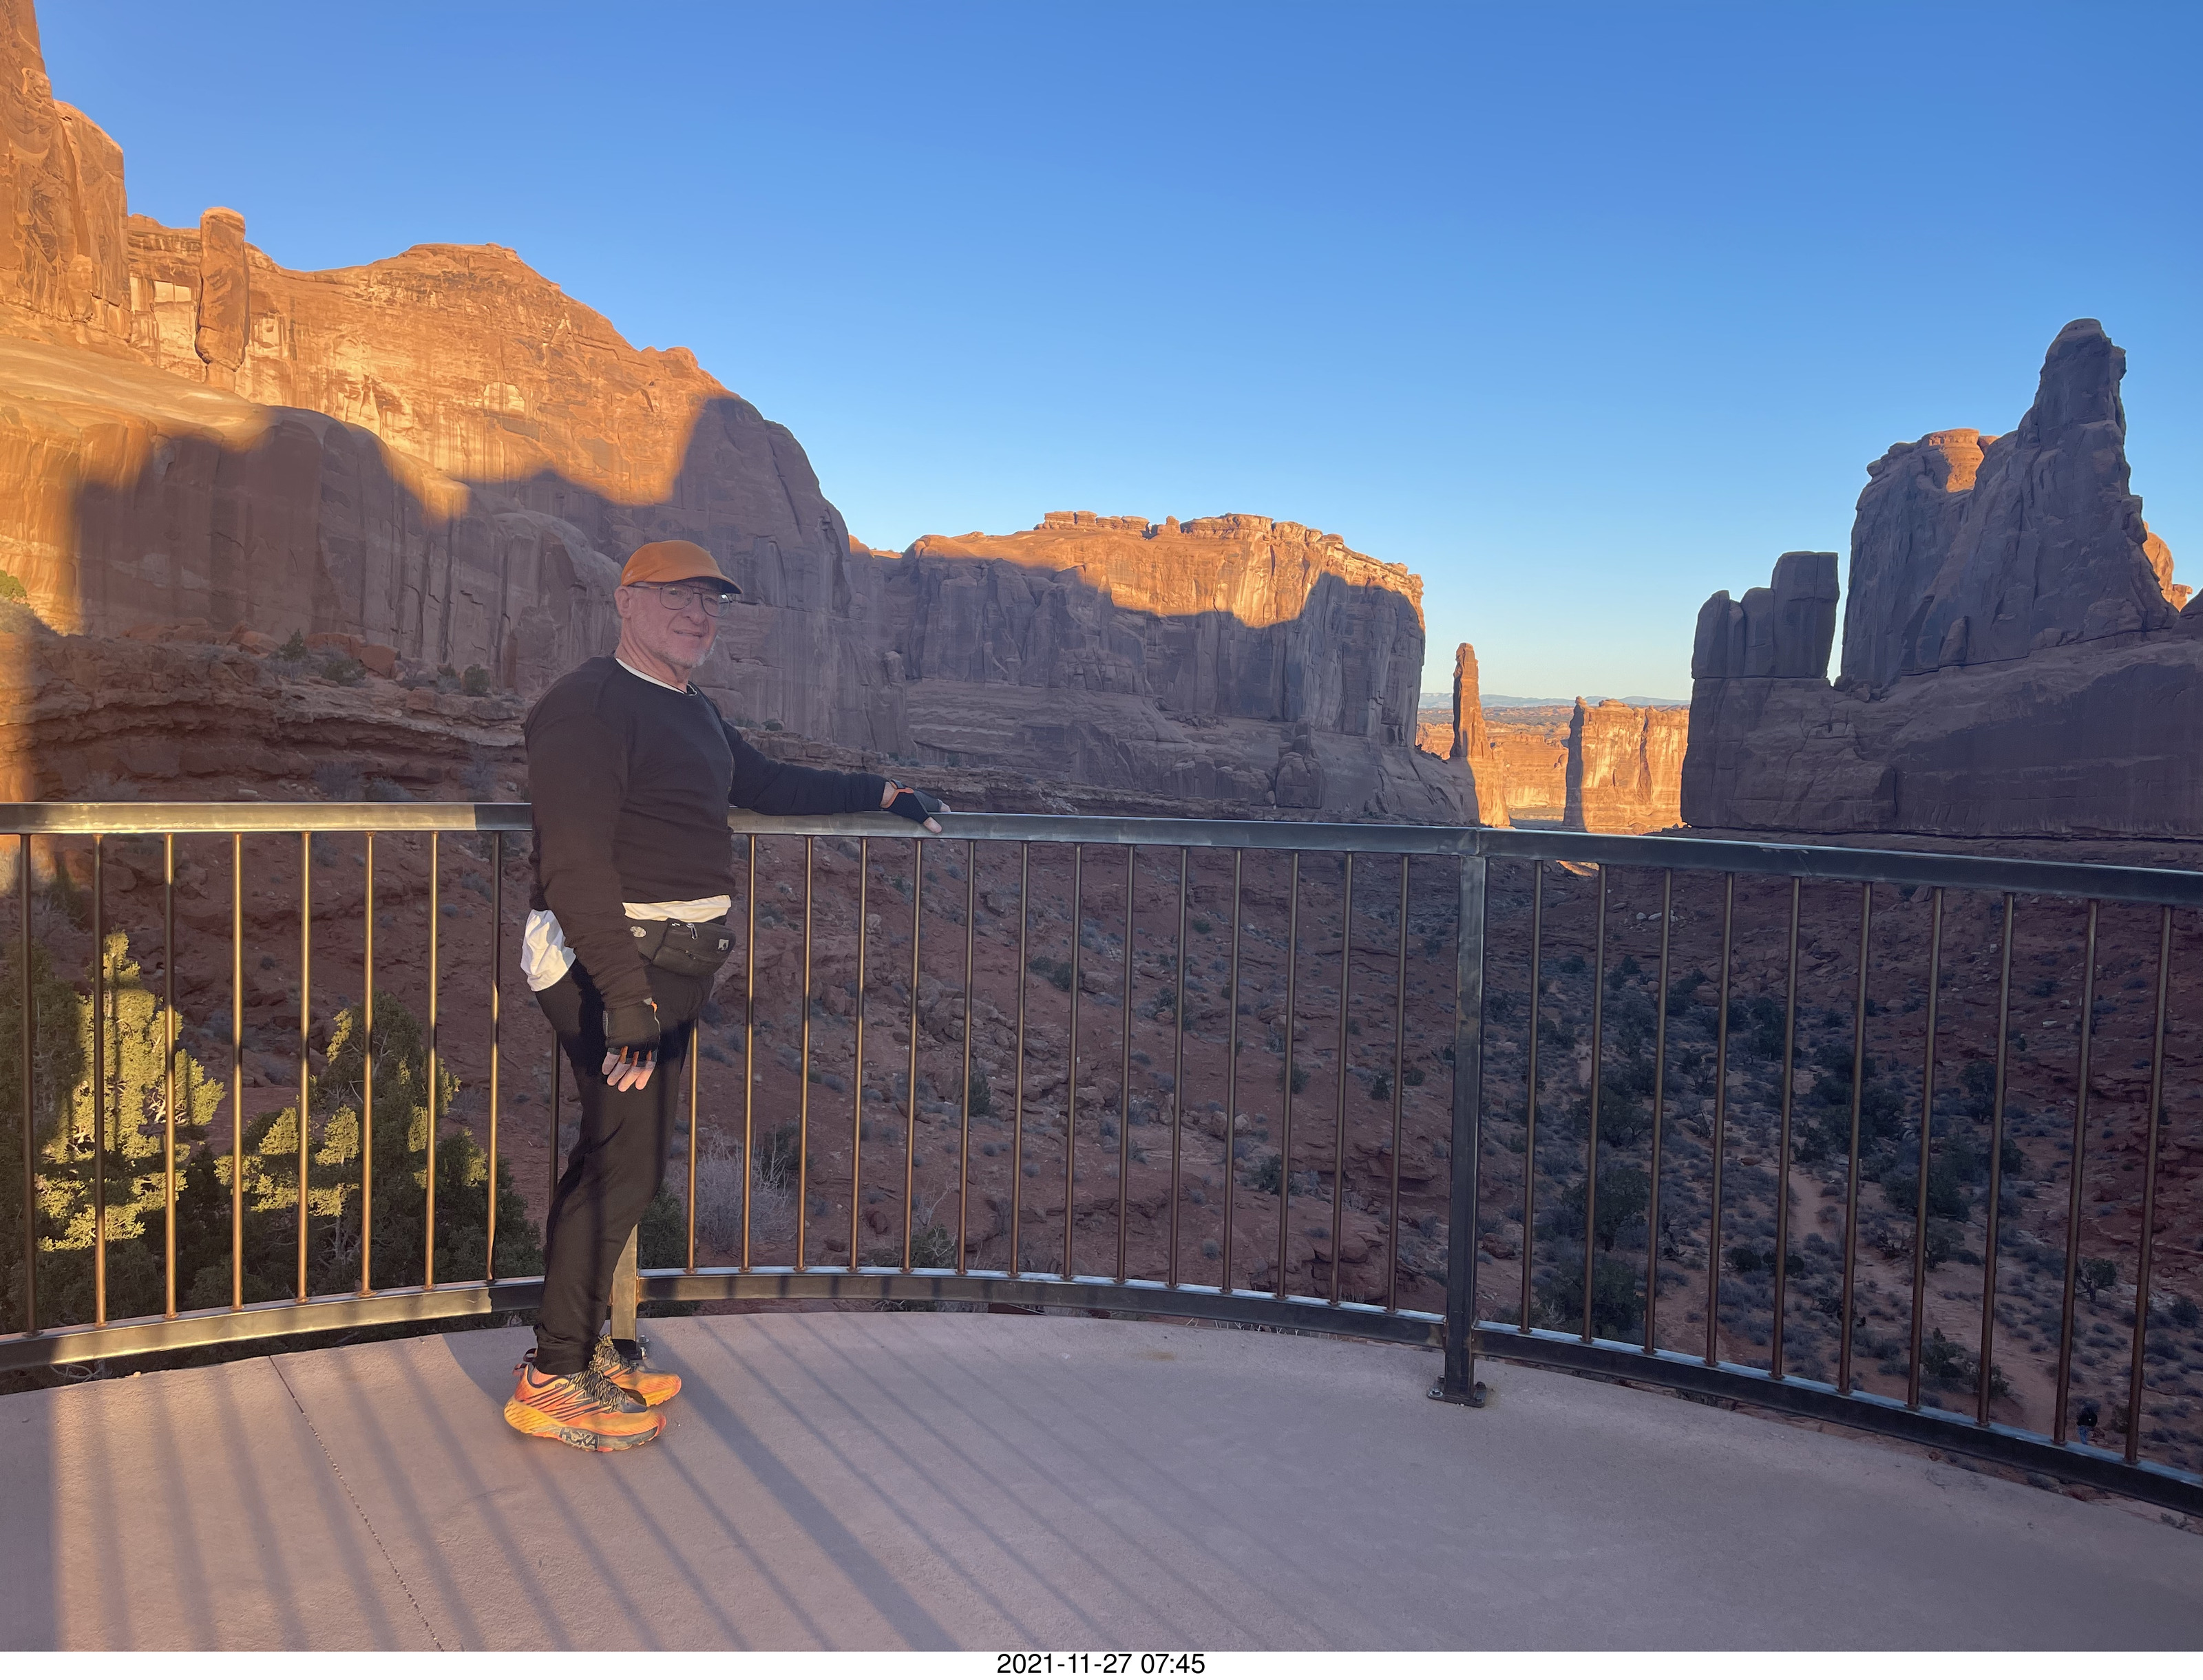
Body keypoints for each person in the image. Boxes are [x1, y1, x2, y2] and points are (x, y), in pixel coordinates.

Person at [503, 538, 945, 1452]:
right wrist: (626, 1000)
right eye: (677, 596)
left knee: (617, 1162)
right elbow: (574, 864)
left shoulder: (689, 707)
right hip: (611, 968)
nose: (698, 614)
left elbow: (768, 782)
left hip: (663, 969)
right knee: (623, 1167)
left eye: (710, 601)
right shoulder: (589, 706)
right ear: (627, 601)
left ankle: (582, 1348)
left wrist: (884, 791)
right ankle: (552, 1378)